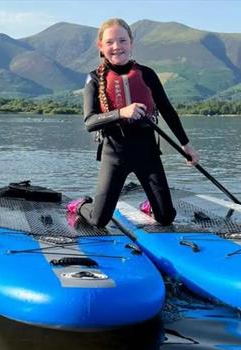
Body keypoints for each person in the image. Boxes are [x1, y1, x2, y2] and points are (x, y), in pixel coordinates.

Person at [67, 18, 199, 227]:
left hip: (147, 152)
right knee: (98, 220)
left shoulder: (147, 74)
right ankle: (80, 204)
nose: (116, 47)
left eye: (122, 40)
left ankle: (150, 205)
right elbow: (90, 122)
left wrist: (186, 145)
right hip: (115, 155)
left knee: (165, 217)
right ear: (100, 46)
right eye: (110, 42)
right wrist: (121, 113)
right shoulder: (93, 79)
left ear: (131, 43)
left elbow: (167, 111)